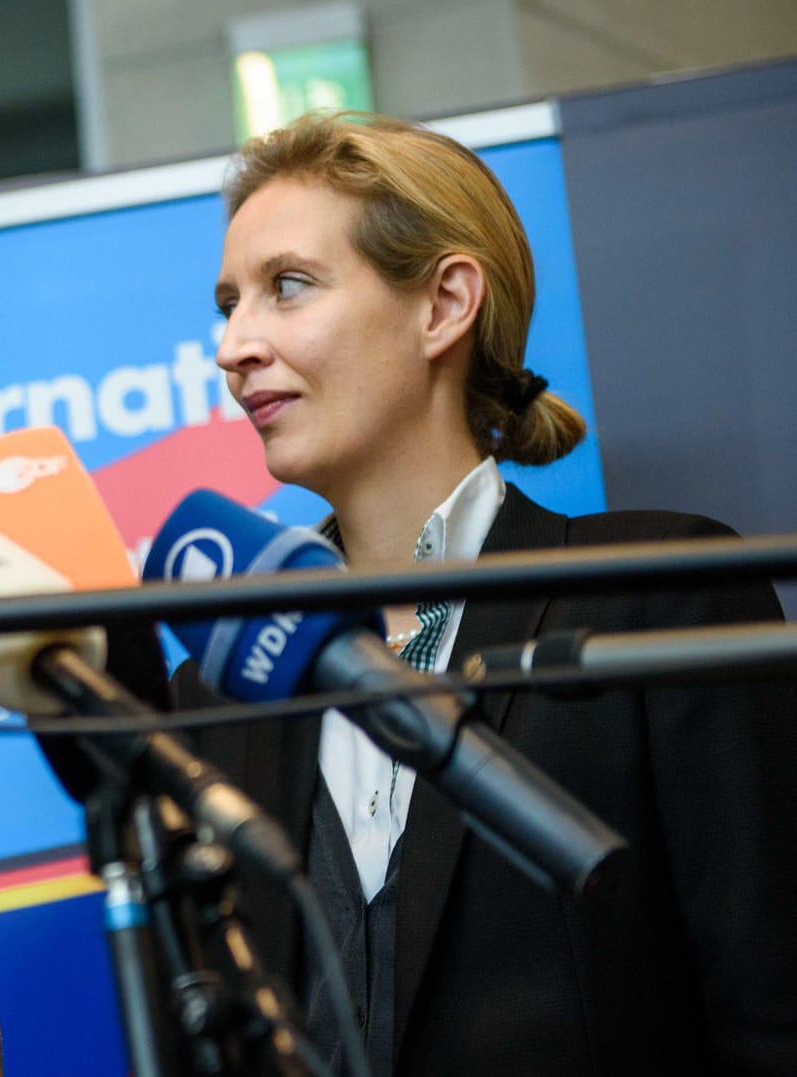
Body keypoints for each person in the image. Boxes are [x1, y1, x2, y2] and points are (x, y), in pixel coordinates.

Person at [188, 110, 797, 1076]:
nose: (235, 346)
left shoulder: (657, 595)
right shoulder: (215, 690)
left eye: (287, 287)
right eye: (228, 305)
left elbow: (774, 1013)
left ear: (444, 305)